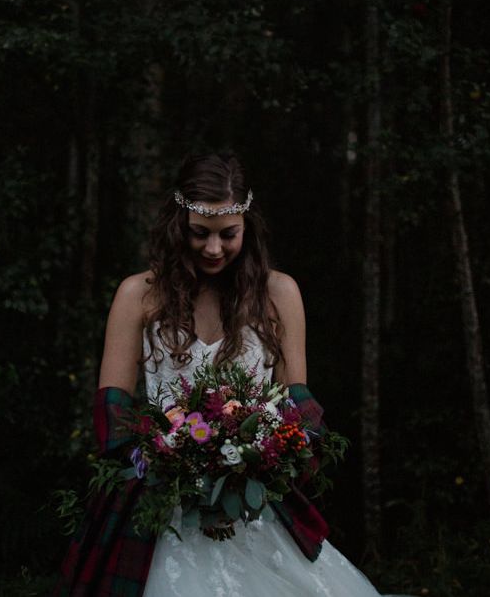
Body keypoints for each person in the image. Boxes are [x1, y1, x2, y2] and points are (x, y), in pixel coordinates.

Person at [54, 153, 402, 597]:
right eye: (199, 233)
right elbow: (113, 410)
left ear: (247, 227)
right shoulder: (138, 295)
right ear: (178, 224)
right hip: (160, 500)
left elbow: (298, 406)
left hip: (251, 503)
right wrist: (169, 463)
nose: (213, 249)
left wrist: (264, 464)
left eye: (228, 235)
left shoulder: (279, 294)